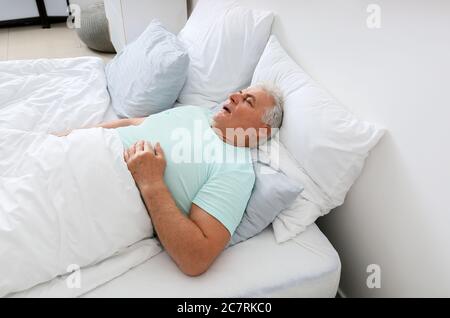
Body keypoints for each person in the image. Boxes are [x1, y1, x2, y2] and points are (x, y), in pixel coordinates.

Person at [56, 84, 284, 276]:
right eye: (240, 92)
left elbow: (197, 258)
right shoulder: (197, 113)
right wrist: (67, 137)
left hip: (90, 189)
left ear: (262, 130)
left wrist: (152, 183)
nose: (233, 96)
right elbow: (132, 123)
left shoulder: (236, 170)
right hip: (68, 152)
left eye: (248, 101)